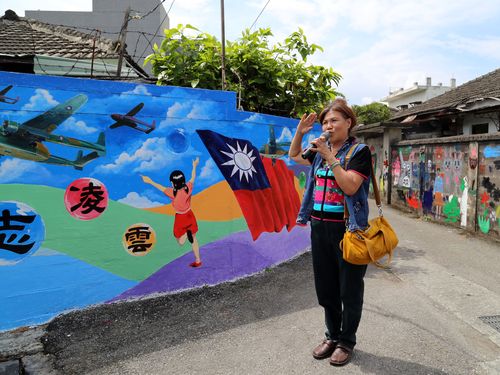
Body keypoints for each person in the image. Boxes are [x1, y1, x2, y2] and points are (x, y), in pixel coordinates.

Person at [289, 98, 372, 366]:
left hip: (348, 230)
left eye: (334, 120)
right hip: (319, 225)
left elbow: (350, 187)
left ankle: (347, 341)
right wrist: (301, 133)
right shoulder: (318, 150)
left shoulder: (359, 151)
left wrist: (328, 155)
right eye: (325, 121)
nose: (328, 125)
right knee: (326, 287)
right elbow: (294, 157)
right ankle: (332, 335)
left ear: (349, 123)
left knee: (349, 289)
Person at [141, 157, 202, 267]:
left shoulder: (172, 193)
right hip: (190, 215)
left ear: (173, 184)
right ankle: (198, 260)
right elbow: (193, 177)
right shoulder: (188, 187)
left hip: (180, 218)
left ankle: (184, 236)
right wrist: (194, 165)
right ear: (183, 181)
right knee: (194, 239)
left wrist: (149, 181)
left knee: (180, 241)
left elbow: (160, 187)